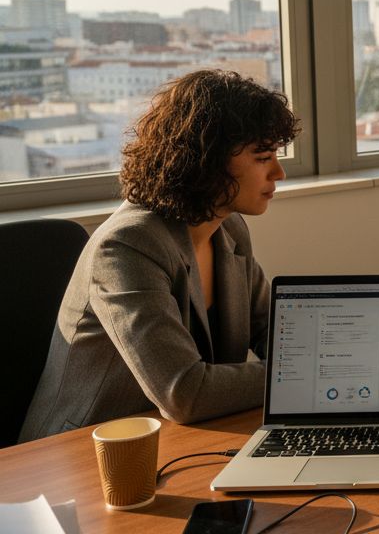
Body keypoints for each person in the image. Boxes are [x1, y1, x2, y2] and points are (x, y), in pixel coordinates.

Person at [20, 70, 298, 440]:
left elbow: (282, 336)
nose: (279, 172)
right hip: (82, 456)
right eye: (263, 157)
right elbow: (185, 393)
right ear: (208, 160)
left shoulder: (228, 229)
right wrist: (299, 374)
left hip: (179, 439)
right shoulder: (126, 246)